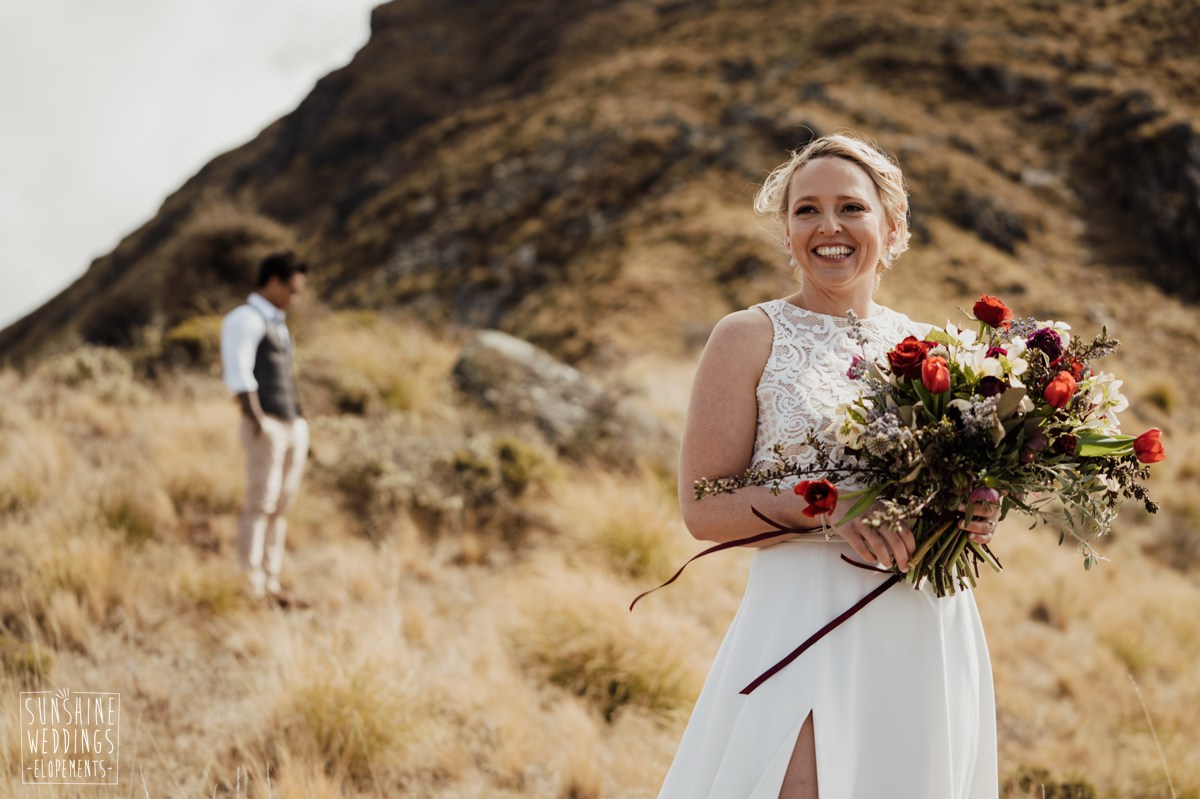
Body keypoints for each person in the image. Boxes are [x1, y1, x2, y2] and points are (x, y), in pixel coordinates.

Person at [658, 133, 1001, 798]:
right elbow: (703, 506)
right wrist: (833, 507)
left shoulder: (936, 350)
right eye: (806, 210)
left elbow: (956, 491)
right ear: (786, 233)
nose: (829, 226)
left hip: (923, 621)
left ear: (892, 226)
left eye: (851, 207)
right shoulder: (746, 337)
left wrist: (975, 512)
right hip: (802, 617)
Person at [220, 252, 310, 603]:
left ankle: (270, 582)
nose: (296, 296)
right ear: (273, 281)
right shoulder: (245, 319)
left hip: (291, 424)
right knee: (260, 502)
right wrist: (259, 422)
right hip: (267, 424)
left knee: (281, 504)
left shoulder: (278, 322)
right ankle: (249, 585)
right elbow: (239, 374)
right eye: (292, 288)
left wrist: (299, 421)